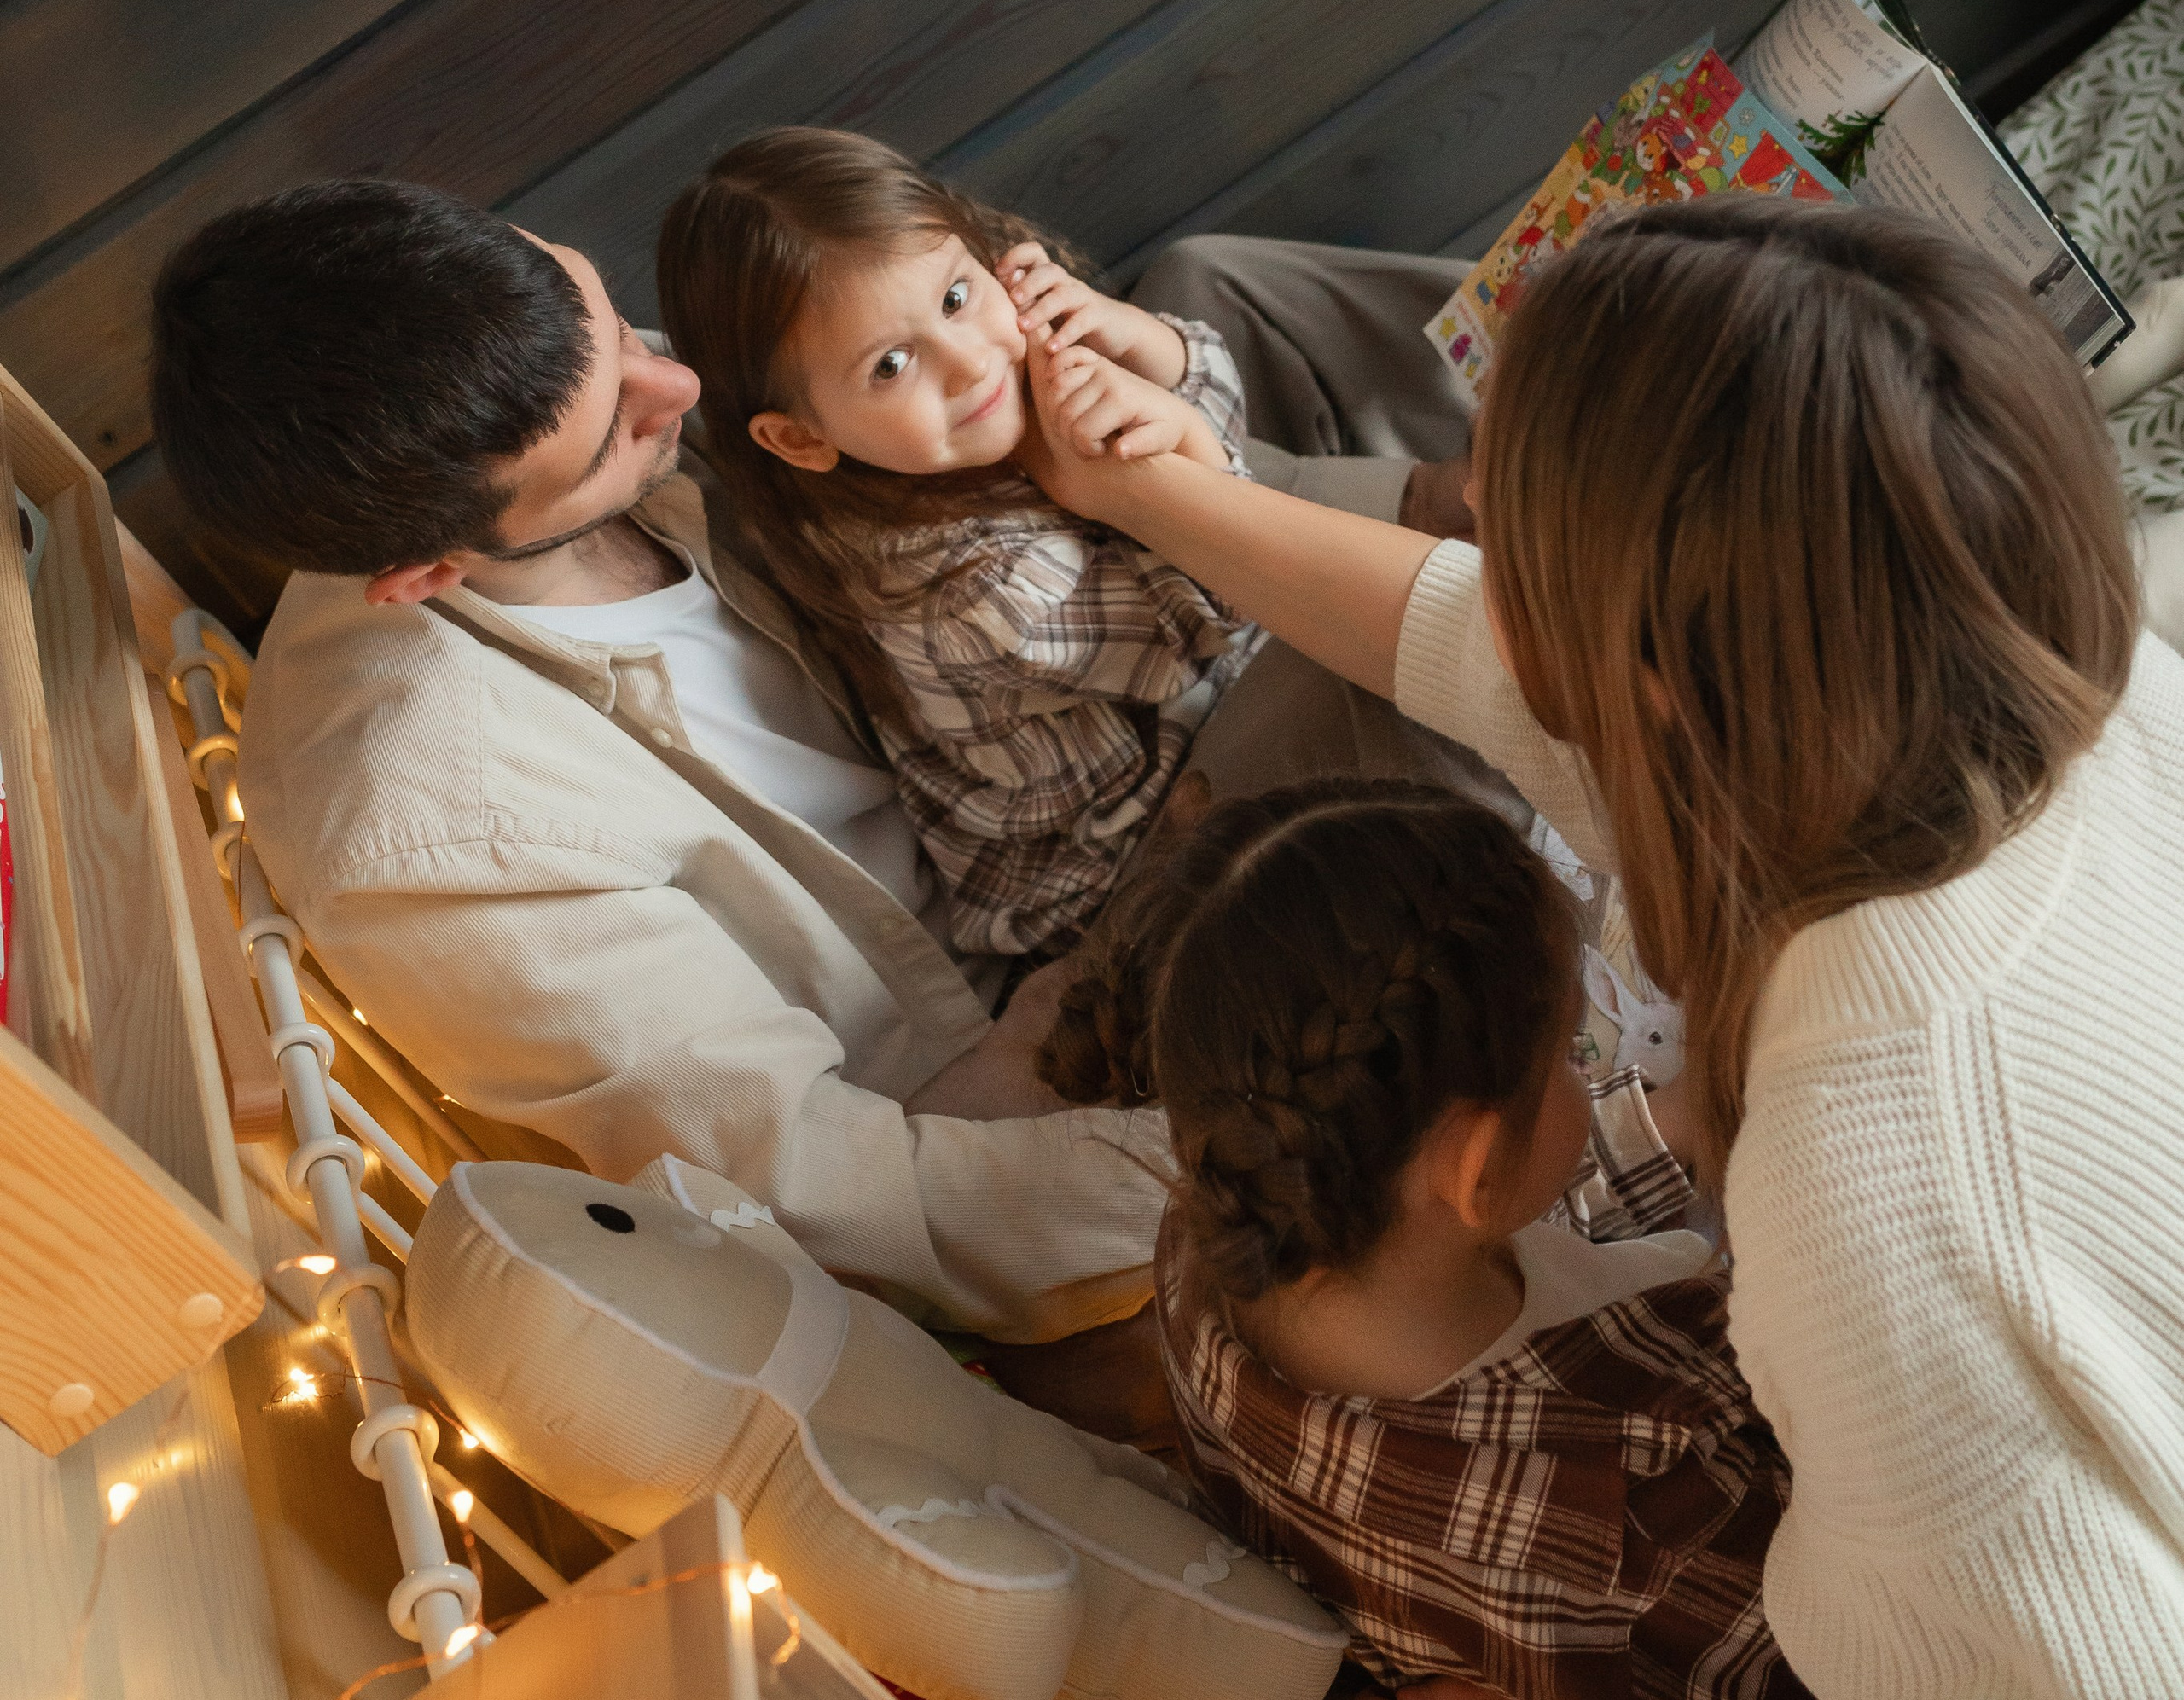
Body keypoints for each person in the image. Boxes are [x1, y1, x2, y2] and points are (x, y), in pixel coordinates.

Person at [1017, 198, 2184, 1700]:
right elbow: (1485, 656)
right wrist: (1159, 495)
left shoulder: (1886, 1213)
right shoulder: (2041, 677)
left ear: (1655, 680)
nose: (1465, 524)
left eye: (1506, 524)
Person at [146, 173, 1487, 1356]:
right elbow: (849, 1200)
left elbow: (988, 449)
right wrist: (1278, 1158)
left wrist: (1262, 461)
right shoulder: (434, 833)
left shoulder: (577, 396)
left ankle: (1494, 466)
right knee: (1433, 660)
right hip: (1045, 990)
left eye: (609, 322)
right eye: (616, 432)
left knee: (1217, 283)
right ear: (423, 574)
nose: (678, 388)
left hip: (1062, 717)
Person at [1042, 775, 1827, 1700]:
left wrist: (1687, 1120)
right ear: (1475, 1168)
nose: (1584, 1073)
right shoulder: (1641, 1488)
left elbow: (1501, 1213)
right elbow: (1834, 1675)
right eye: (1568, 1055)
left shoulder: (1225, 1223)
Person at [655, 128, 1264, 958]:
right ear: (801, 438)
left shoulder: (1009, 357)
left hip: (1190, 678)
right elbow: (1232, 605)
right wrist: (1188, 438)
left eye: (954, 299)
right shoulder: (966, 589)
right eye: (891, 365)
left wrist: (1134, 337)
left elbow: (1223, 397)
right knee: (1382, 655)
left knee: (1212, 274)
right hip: (1125, 866)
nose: (971, 362)